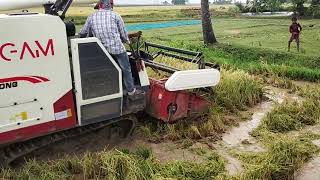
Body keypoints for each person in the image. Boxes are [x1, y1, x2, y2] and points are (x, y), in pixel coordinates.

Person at [79, 0, 144, 97]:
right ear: (110, 5)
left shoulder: (91, 17)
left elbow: (83, 33)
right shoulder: (115, 16)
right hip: (117, 49)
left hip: (101, 51)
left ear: (100, 5)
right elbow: (124, 35)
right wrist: (127, 41)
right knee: (126, 69)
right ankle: (131, 91)